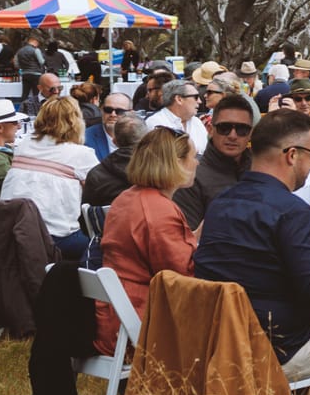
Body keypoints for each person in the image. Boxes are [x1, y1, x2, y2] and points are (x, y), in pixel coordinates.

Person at [194, 110, 310, 395]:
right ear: (292, 155)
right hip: (276, 350)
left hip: (218, 344)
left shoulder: (223, 202)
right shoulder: (292, 212)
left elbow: (257, 241)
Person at [92, 126, 199, 355]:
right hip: (138, 323)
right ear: (176, 162)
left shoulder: (128, 196)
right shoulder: (159, 209)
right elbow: (183, 276)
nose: (197, 163)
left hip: (116, 314)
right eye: (193, 156)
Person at [2, 97, 100, 263]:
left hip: (12, 233)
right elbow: (100, 190)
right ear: (76, 121)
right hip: (54, 238)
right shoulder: (81, 155)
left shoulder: (24, 145)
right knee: (103, 249)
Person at [176, 92, 253, 228]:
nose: (233, 136)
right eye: (225, 128)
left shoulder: (260, 171)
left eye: (242, 129)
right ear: (211, 130)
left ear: (250, 134)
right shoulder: (190, 177)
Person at [82, 114, 145, 206]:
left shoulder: (96, 175)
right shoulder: (161, 170)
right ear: (146, 139)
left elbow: (87, 212)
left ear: (114, 141)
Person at [145, 79, 207, 155]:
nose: (200, 101)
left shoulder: (196, 122)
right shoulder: (156, 123)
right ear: (179, 99)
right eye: (196, 97)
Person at [84, 91, 133, 161]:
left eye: (119, 111)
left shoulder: (139, 137)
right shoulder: (85, 138)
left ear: (131, 113)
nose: (113, 114)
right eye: (108, 110)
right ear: (101, 110)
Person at [15, 34, 44, 105]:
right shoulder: (36, 50)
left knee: (25, 94)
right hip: (36, 74)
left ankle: (22, 109)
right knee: (36, 94)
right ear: (35, 41)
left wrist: (23, 67)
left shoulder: (20, 51)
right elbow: (42, 62)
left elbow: (16, 64)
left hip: (25, 74)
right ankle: (36, 109)